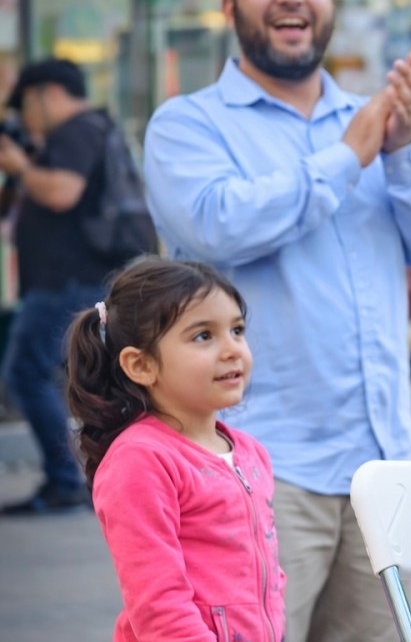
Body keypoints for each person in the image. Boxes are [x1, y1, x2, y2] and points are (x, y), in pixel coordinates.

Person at [142, 0, 411, 640]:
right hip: (253, 464)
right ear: (229, 8)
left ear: (328, 4)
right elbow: (218, 226)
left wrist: (400, 152)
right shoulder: (187, 125)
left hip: (380, 472)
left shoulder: (376, 122)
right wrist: (347, 157)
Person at [65, 257, 285, 641]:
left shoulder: (250, 452)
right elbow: (158, 604)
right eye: (203, 336)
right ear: (141, 365)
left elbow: (270, 578)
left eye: (237, 330)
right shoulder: (141, 460)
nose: (232, 349)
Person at [0, 58, 147, 514]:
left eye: (25, 104)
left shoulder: (76, 131)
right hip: (73, 279)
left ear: (46, 94)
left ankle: (67, 481)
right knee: (90, 382)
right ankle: (91, 478)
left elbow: (62, 192)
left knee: (27, 373)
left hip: (66, 281)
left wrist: (20, 165)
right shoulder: (91, 129)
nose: (25, 117)